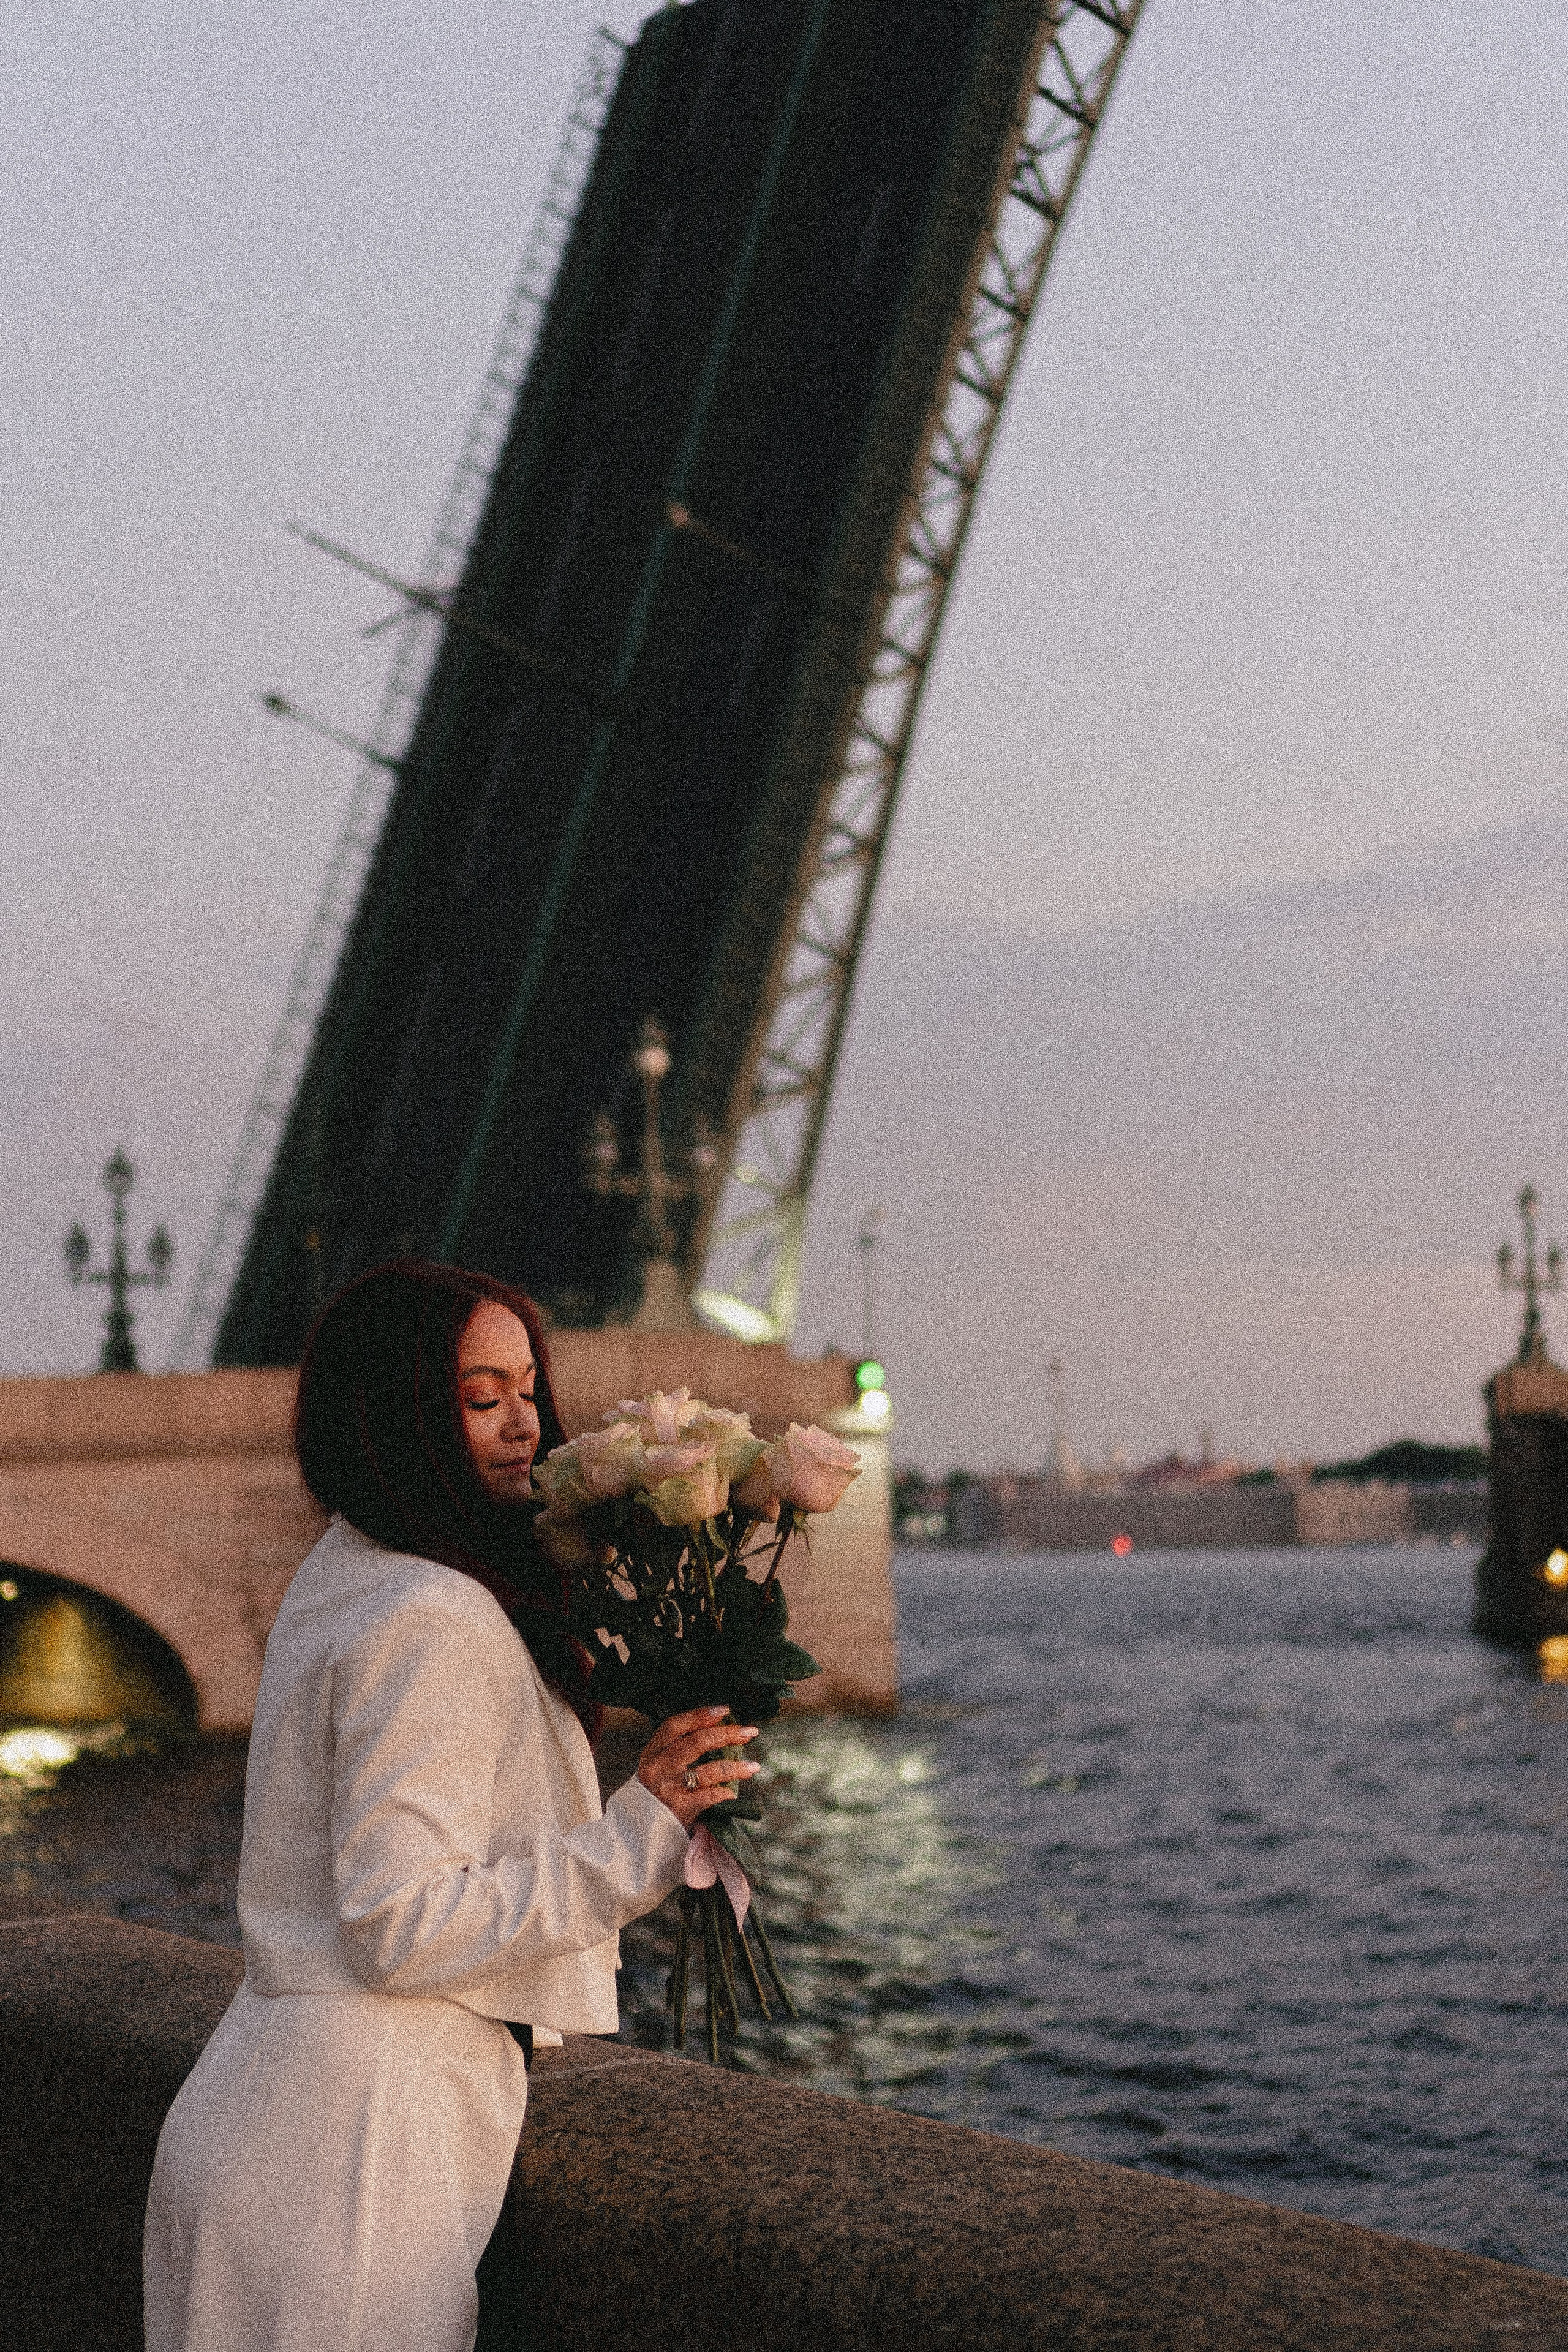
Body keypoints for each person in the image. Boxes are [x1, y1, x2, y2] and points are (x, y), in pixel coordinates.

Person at [143, 1260, 757, 2352]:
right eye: (483, 1398)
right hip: (358, 2151)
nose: (525, 1425)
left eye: (528, 1388)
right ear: (400, 1416)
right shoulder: (431, 1613)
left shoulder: (348, 1572)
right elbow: (397, 1922)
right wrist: (641, 1832)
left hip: (255, 2109)